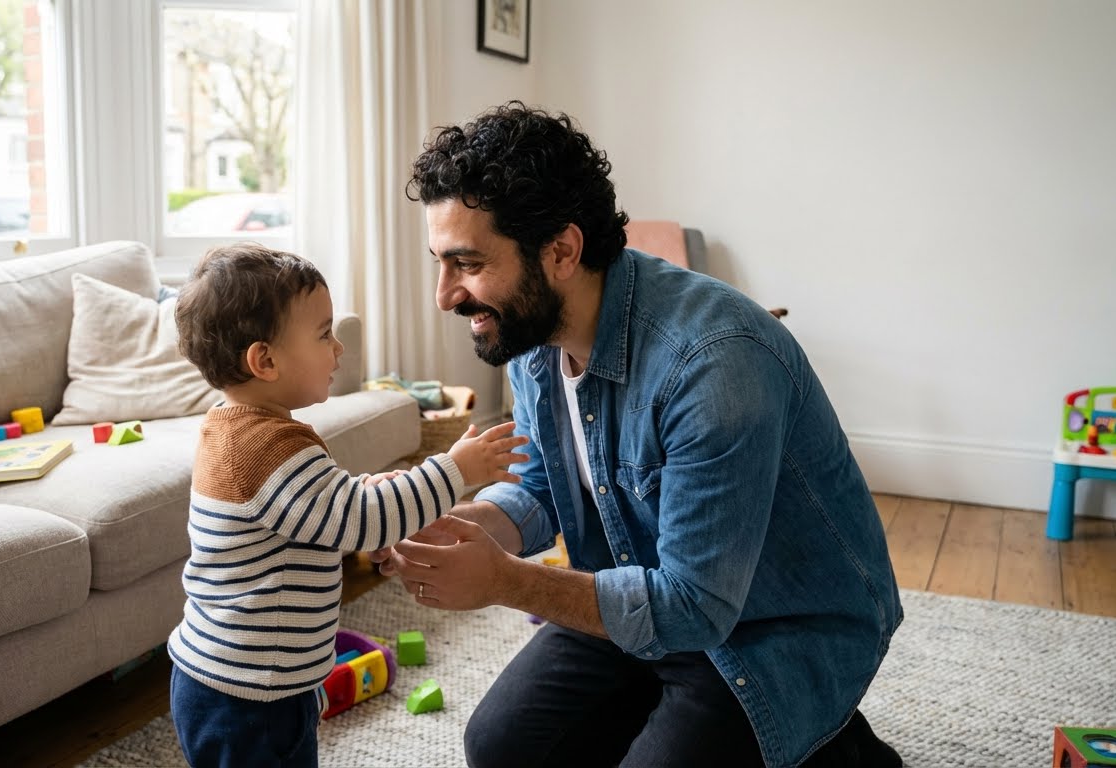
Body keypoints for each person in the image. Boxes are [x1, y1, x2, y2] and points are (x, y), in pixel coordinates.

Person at [371, 102, 905, 768]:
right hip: (644, 583)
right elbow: (543, 487)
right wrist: (453, 527)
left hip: (768, 625)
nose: (445, 295)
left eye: (467, 263)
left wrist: (504, 582)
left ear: (560, 251)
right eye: (439, 263)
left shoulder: (714, 362)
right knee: (499, 748)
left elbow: (695, 607)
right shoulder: (528, 333)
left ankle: (835, 747)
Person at [166, 243, 529, 768]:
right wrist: (457, 470)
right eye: (322, 334)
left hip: (241, 680)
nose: (339, 348)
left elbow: (319, 510)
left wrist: (364, 488)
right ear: (264, 360)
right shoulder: (269, 447)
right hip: (252, 695)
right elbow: (359, 520)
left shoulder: (238, 430)